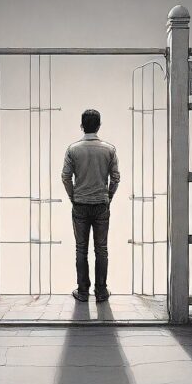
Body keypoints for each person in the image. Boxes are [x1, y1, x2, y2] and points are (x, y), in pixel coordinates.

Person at [61, 109, 120, 302]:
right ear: (99, 125)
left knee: (81, 249)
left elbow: (65, 177)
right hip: (101, 204)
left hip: (80, 204)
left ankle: (83, 292)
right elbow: (116, 178)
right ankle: (101, 292)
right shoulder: (109, 149)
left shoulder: (73, 149)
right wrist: (108, 196)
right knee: (101, 249)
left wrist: (73, 195)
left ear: (81, 126)